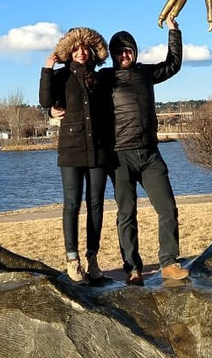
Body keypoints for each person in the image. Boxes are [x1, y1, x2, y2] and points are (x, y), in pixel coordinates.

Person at [104, 17, 189, 284]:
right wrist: (54, 106)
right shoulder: (105, 78)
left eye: (128, 50)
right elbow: (77, 88)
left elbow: (173, 64)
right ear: (113, 55)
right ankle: (132, 269)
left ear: (135, 51)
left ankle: (169, 262)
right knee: (126, 214)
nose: (124, 55)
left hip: (150, 153)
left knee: (167, 208)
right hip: (120, 156)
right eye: (118, 51)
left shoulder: (145, 73)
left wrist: (174, 32)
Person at [40, 26, 115, 284]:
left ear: (93, 51)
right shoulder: (61, 77)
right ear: (69, 52)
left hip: (99, 150)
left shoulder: (101, 77)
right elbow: (44, 100)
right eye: (76, 48)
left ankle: (92, 259)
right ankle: (73, 260)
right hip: (71, 150)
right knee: (72, 204)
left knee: (96, 205)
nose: (82, 52)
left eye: (86, 48)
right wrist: (48, 68)